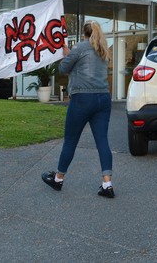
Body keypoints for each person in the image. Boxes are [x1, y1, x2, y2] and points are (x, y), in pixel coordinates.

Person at [41, 20, 115, 198]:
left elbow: (63, 68)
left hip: (82, 99)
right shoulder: (104, 50)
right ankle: (107, 184)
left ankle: (58, 180)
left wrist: (67, 54)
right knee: (102, 141)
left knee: (70, 141)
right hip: (103, 98)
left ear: (84, 33)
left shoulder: (79, 48)